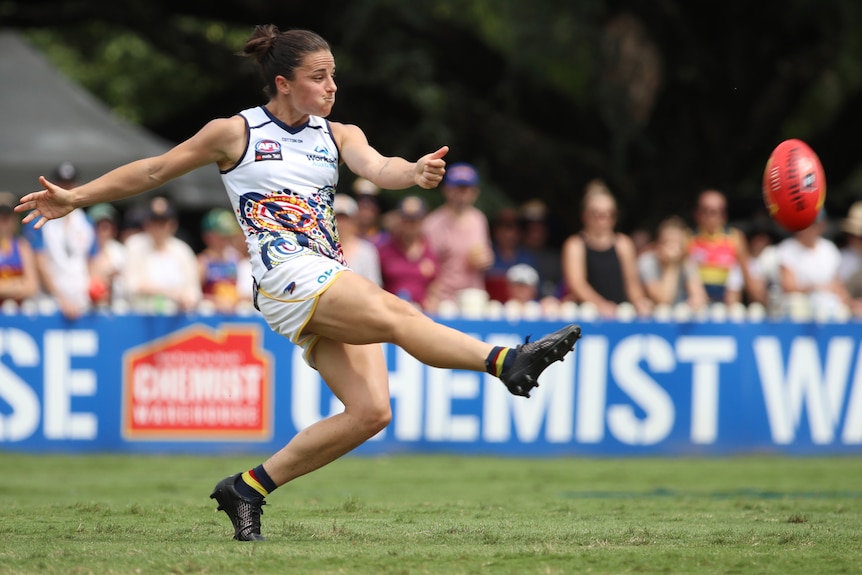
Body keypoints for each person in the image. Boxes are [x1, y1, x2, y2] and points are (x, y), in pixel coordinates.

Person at [16, 25, 581, 542]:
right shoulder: (233, 132)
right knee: (397, 315)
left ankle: (247, 488)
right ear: (283, 83)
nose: (332, 85)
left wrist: (412, 172)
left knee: (372, 413)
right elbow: (154, 171)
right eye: (319, 76)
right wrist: (75, 198)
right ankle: (507, 361)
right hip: (286, 274)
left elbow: (378, 167)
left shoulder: (339, 134)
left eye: (334, 74)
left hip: (325, 273)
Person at [561, 179, 652, 317]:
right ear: (585, 216)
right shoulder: (575, 245)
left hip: (619, 312)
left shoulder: (623, 244)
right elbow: (577, 284)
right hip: (586, 314)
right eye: (597, 214)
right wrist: (600, 305)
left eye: (608, 214)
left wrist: (639, 301)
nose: (603, 219)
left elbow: (632, 283)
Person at [23, 161, 96, 318]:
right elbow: (39, 263)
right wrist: (61, 299)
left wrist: (94, 291)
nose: (66, 189)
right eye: (62, 184)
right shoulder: (40, 218)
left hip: (83, 301)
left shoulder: (86, 222)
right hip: (50, 302)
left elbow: (91, 261)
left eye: (70, 184)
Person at [422, 161, 494, 306]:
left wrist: (487, 259)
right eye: (458, 188)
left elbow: (487, 255)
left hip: (474, 298)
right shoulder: (432, 224)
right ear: (446, 190)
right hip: (444, 300)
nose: (463, 193)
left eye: (467, 188)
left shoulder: (479, 219)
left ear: (475, 192)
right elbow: (425, 267)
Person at [122, 197, 202, 314]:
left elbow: (194, 291)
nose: (159, 227)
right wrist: (168, 293)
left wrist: (188, 300)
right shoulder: (134, 245)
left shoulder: (182, 250)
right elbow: (130, 285)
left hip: (176, 318)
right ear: (147, 223)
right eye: (154, 221)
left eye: (163, 222)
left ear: (173, 224)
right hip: (142, 316)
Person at [777, 211, 849, 316]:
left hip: (829, 307)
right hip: (799, 308)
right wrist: (816, 288)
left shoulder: (830, 249)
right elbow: (788, 287)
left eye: (813, 224)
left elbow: (838, 285)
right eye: (806, 223)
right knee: (797, 305)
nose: (810, 229)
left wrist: (850, 303)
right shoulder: (786, 249)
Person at [688, 189, 752, 305]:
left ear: (724, 215)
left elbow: (747, 276)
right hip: (698, 300)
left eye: (717, 211)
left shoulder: (735, 237)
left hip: (728, 300)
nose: (711, 216)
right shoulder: (688, 238)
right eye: (706, 211)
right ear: (697, 213)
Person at [376, 195, 439, 311]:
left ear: (423, 219)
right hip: (390, 312)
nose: (411, 224)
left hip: (422, 314)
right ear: (399, 219)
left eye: (415, 218)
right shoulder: (383, 249)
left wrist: (433, 301)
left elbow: (435, 283)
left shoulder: (432, 249)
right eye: (406, 218)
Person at [637, 216, 708, 309]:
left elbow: (699, 294)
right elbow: (663, 301)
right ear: (658, 244)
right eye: (668, 243)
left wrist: (697, 300)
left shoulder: (686, 262)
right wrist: (671, 266)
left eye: (677, 243)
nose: (673, 249)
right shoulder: (646, 262)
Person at [485, 207, 538, 302]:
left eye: (512, 227)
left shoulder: (527, 257)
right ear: (495, 231)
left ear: (519, 232)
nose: (508, 234)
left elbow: (534, 291)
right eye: (504, 226)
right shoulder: (487, 255)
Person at [198, 207, 243, 313]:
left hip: (234, 314)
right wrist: (215, 301)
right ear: (208, 236)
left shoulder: (236, 259)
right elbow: (194, 295)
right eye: (222, 235)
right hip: (212, 315)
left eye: (228, 235)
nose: (226, 239)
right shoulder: (203, 262)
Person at [333, 193, 382, 285]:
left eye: (345, 218)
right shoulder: (321, 249)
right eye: (336, 217)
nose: (340, 223)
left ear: (355, 219)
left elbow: (373, 286)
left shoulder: (367, 250)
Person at [0, 191, 39, 305]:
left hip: (17, 313)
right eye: (1, 216)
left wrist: (4, 287)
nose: (4, 221)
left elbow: (32, 287)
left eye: (7, 216)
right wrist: (17, 284)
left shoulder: (23, 246)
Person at [519, 199, 562, 299]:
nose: (535, 233)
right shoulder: (512, 256)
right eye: (530, 227)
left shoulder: (555, 260)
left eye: (540, 227)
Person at [87, 202, 127, 307]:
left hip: (117, 309)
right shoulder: (82, 250)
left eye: (107, 226)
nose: (103, 230)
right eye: (98, 225)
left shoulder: (121, 252)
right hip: (88, 310)